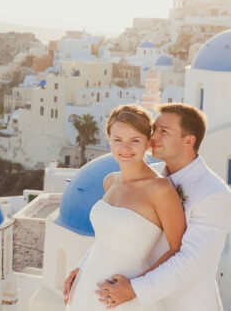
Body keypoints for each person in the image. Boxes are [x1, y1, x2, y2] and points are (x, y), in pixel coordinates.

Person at [93, 103, 231, 310]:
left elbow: (193, 261)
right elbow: (112, 233)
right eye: (155, 129)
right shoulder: (149, 174)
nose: (153, 137)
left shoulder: (213, 193)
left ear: (188, 141)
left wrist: (135, 289)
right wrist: (83, 269)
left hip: (182, 304)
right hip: (131, 299)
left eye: (163, 132)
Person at [63, 104, 186, 311]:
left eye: (135, 140)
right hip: (85, 289)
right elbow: (106, 239)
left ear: (148, 143)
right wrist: (80, 267)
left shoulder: (160, 189)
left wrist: (135, 288)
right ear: (109, 140)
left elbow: (178, 249)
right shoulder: (111, 182)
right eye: (117, 140)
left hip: (125, 298)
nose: (125, 149)